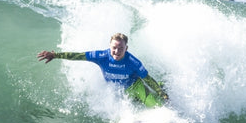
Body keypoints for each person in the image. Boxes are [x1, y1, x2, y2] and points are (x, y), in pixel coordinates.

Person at [37, 32, 168, 106]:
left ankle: (161, 89)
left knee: (155, 105)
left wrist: (161, 93)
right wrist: (55, 55)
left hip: (135, 86)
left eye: (121, 48)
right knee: (134, 103)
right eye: (114, 48)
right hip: (117, 91)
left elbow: (148, 79)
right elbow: (78, 56)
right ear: (109, 46)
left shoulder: (133, 62)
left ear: (126, 49)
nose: (117, 51)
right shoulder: (101, 56)